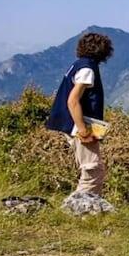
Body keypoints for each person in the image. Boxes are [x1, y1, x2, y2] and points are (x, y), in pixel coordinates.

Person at [44, 31, 114, 196]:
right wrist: (83, 130)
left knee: (91, 169)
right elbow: (73, 101)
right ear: (103, 51)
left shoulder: (78, 64)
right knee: (92, 171)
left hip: (71, 124)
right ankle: (78, 210)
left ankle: (83, 209)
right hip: (79, 126)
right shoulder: (88, 69)